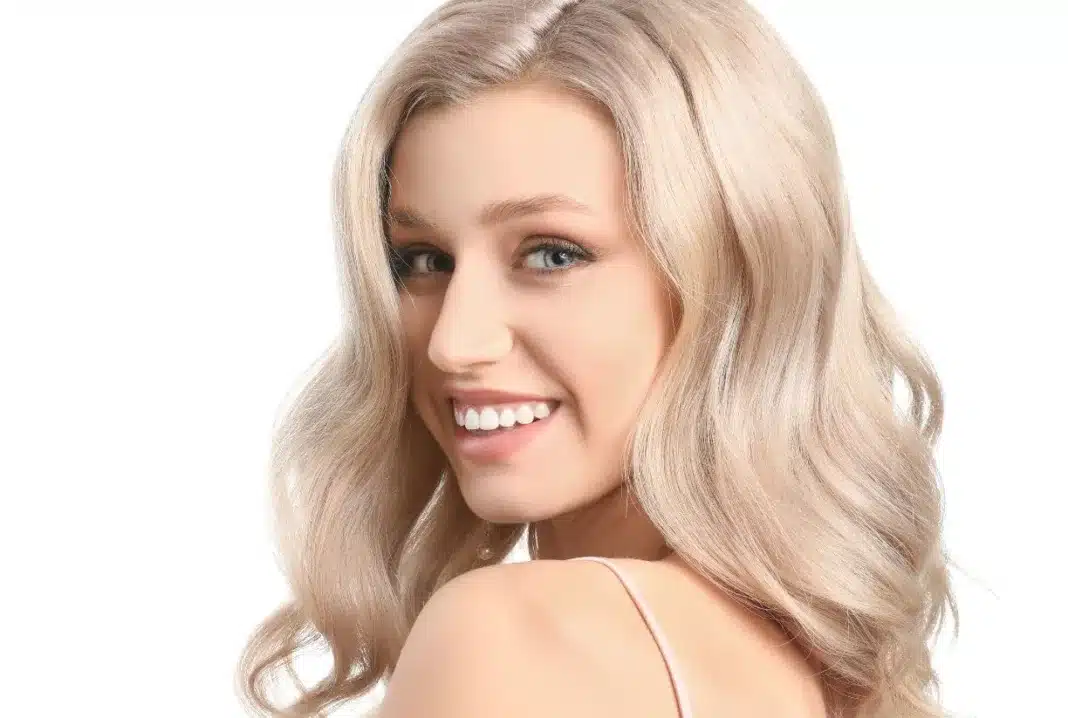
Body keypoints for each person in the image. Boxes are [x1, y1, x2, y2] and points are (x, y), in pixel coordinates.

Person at [236, 1, 959, 717]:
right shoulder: (824, 675)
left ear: (734, 276)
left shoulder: (508, 637)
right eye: (423, 260)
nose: (453, 341)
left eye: (551, 254)